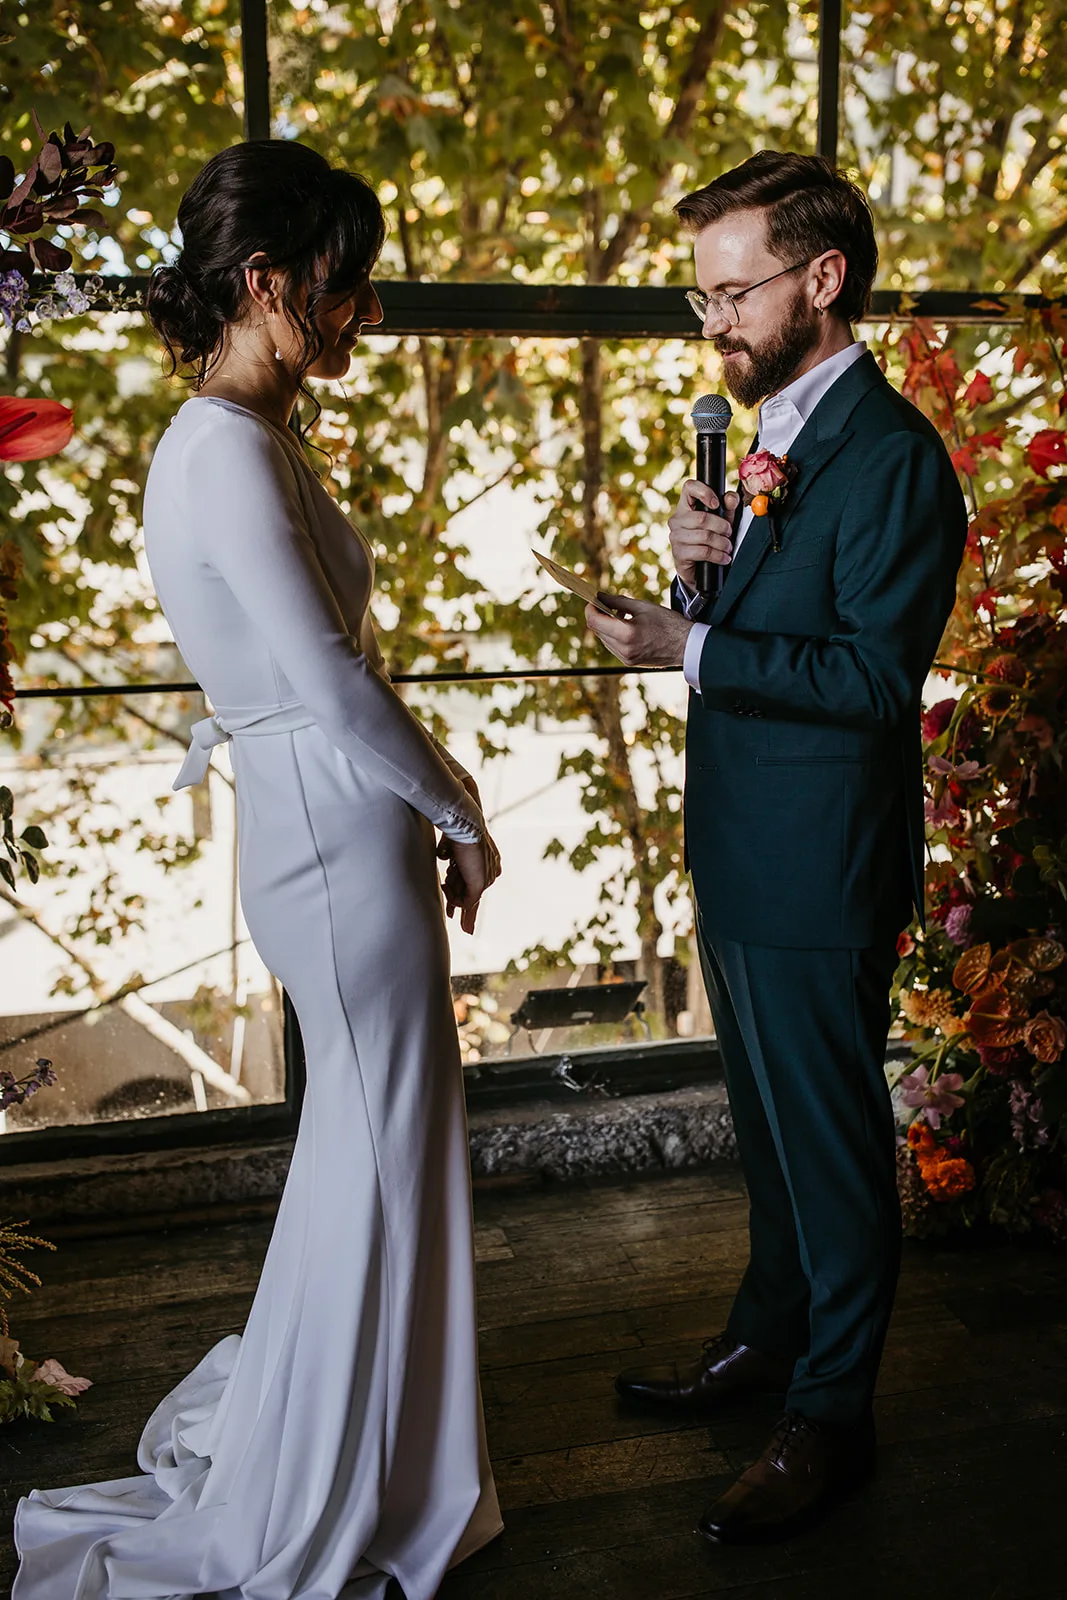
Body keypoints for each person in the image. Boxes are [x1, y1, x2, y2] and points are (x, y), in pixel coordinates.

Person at [13, 140, 503, 1600]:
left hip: (330, 816)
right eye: (348, 286)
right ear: (268, 280)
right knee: (382, 1140)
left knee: (378, 1141)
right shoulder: (222, 450)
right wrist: (459, 805)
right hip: (330, 827)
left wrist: (427, 805)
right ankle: (344, 1475)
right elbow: (330, 682)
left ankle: (375, 1445)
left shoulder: (244, 433)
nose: (366, 314)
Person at [587, 152, 966, 1544]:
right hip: (745, 846)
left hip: (821, 860)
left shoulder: (892, 456)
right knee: (768, 1134)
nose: (715, 323)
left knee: (832, 1149)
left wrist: (688, 646)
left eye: (734, 292)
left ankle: (830, 1415)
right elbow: (770, 630)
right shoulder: (776, 441)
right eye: (702, 296)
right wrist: (701, 576)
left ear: (823, 278)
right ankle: (765, 1336)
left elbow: (871, 682)